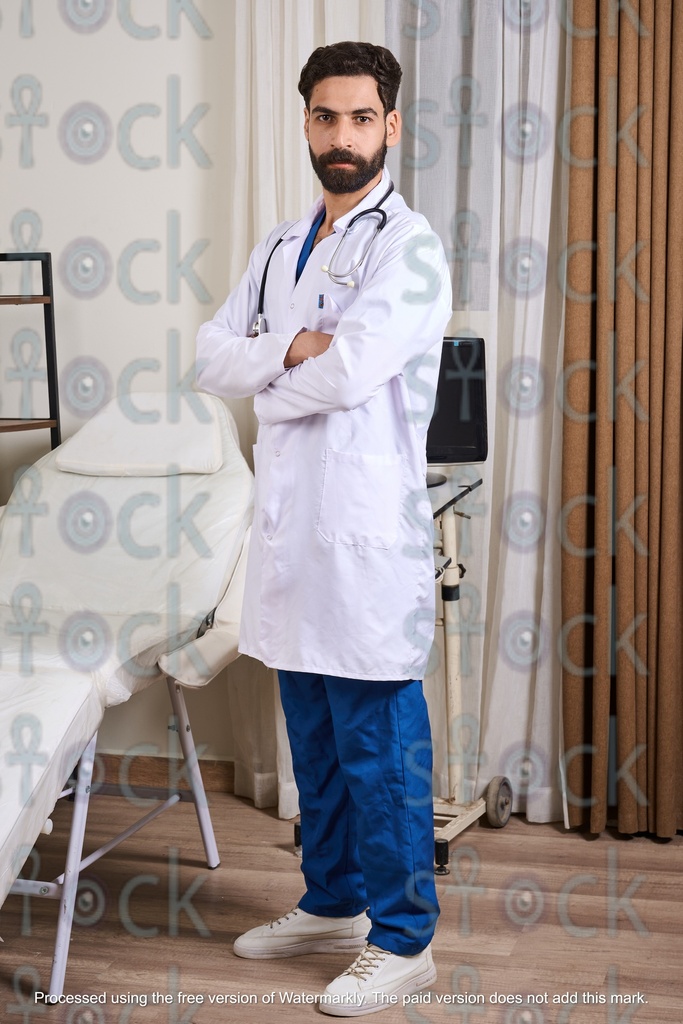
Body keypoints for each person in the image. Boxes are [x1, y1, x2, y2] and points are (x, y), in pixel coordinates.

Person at [196, 41, 452, 1016]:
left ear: (389, 126)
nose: (339, 136)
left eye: (359, 119)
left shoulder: (405, 245)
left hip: (360, 541)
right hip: (292, 540)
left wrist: (273, 373)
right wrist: (284, 351)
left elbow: (347, 374)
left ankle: (402, 939)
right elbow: (207, 354)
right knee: (313, 736)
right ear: (305, 123)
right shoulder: (276, 243)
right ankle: (333, 901)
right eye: (323, 117)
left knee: (379, 748)